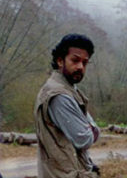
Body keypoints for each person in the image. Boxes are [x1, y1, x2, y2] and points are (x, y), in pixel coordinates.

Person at [34, 34, 100, 178]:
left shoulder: (70, 89)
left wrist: (91, 128)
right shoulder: (58, 95)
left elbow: (95, 131)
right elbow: (84, 138)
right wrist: (90, 128)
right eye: (75, 60)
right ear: (60, 60)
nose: (80, 67)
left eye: (85, 62)